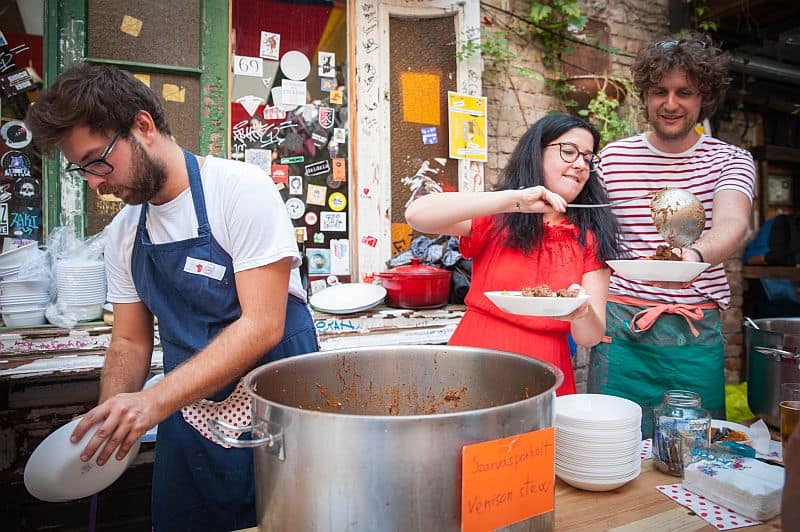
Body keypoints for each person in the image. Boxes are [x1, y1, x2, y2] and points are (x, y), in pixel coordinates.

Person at [25, 64, 318, 531]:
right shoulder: (124, 232)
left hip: (277, 416)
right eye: (82, 171)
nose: (95, 182)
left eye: (98, 161)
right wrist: (113, 419)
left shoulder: (239, 192)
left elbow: (264, 324)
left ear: (142, 126)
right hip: (189, 414)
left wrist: (152, 402)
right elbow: (130, 343)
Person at [587, 35, 756, 424]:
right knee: (611, 441)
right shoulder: (613, 158)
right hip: (622, 328)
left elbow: (733, 223)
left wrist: (692, 256)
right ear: (645, 95)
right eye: (659, 91)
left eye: (685, 92)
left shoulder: (730, 159)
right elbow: (590, 230)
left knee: (694, 452)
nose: (671, 104)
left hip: (694, 332)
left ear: (704, 97)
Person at [405, 114, 622, 394]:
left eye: (588, 158)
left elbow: (590, 337)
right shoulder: (498, 217)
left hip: (546, 376)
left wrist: (581, 312)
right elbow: (417, 215)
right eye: (569, 152)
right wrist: (513, 200)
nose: (580, 164)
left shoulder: (589, 236)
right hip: (472, 365)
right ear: (537, 153)